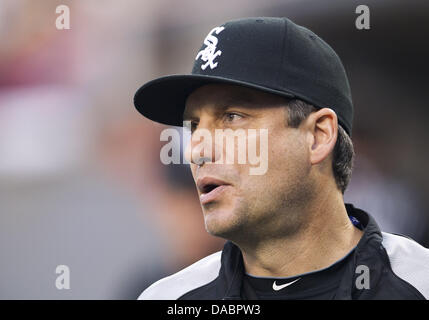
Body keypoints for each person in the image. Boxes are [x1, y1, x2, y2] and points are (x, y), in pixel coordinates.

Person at [133, 17, 429, 299]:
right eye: (194, 126)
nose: (196, 151)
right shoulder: (168, 298)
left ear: (317, 136)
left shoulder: (419, 283)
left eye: (232, 117)